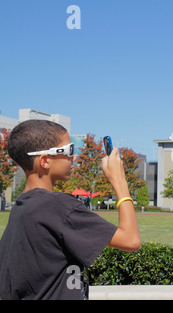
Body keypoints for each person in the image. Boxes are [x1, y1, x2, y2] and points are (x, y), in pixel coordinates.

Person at [0, 120, 141, 300]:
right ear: (45, 161)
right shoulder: (57, 206)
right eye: (69, 151)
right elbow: (131, 240)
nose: (74, 157)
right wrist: (119, 181)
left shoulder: (22, 207)